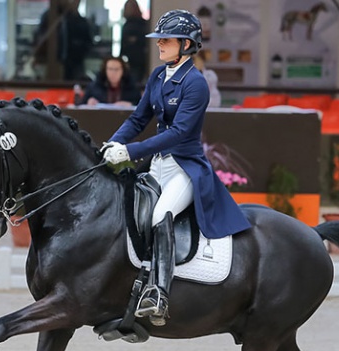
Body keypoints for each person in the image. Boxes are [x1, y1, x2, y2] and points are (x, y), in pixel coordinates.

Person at [102, 9, 251, 327]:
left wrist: (129, 151)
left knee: (160, 215)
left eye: (165, 40)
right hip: (157, 166)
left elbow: (178, 134)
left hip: (184, 168)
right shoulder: (158, 76)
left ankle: (159, 292)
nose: (159, 45)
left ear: (185, 44)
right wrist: (112, 145)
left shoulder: (195, 84)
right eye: (159, 40)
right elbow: (138, 119)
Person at [33, 0, 92, 81]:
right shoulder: (49, 17)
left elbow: (88, 43)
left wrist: (77, 50)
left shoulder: (80, 21)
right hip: (51, 64)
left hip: (75, 65)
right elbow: (39, 38)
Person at [120, 0, 148, 84]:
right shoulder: (127, 24)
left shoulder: (142, 24)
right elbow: (124, 43)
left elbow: (143, 41)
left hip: (139, 59)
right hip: (130, 60)